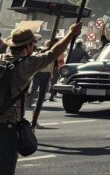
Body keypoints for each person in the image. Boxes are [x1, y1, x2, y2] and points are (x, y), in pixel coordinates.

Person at [1, 23, 82, 173]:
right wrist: (71, 34)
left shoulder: (2, 60)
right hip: (7, 127)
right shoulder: (26, 65)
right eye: (33, 44)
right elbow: (52, 53)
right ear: (28, 46)